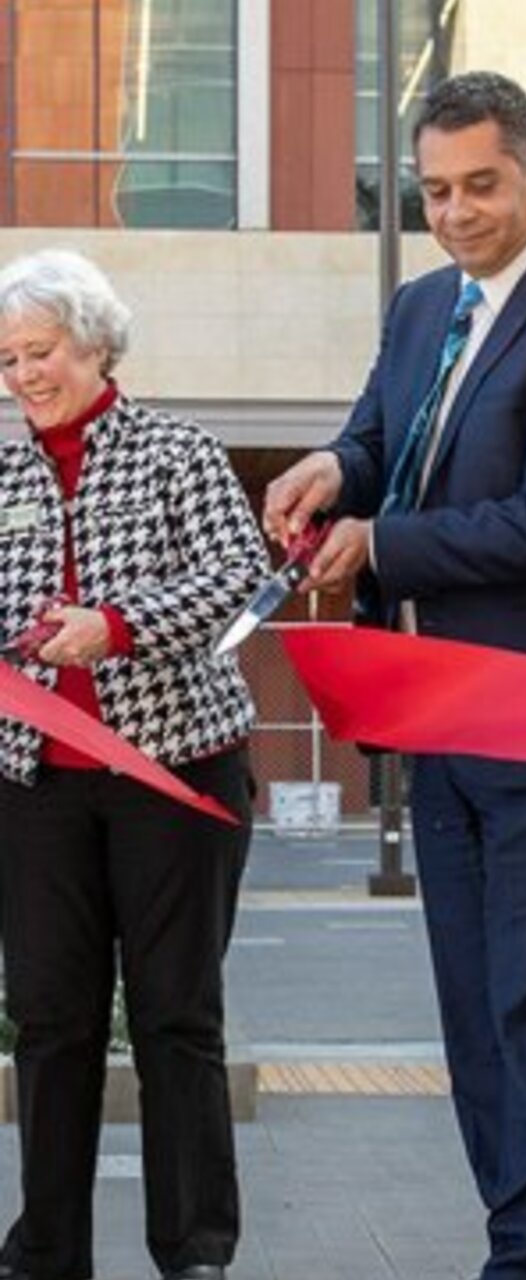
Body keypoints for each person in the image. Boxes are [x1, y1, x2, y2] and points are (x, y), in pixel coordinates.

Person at [262, 72, 526, 1280]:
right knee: (479, 1020)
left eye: (482, 184)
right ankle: (518, 1240)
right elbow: (386, 434)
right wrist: (334, 468)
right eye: (434, 190)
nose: (457, 211)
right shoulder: (423, 302)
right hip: (438, 719)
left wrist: (378, 541)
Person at [0, 249, 266, 1280]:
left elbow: (238, 577)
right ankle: (47, 1247)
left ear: (97, 346)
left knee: (176, 1012)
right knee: (53, 1018)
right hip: (34, 784)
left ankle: (194, 1246)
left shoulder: (175, 451)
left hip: (177, 774)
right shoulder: (8, 472)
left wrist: (114, 625)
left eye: (42, 351)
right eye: (10, 357)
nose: (24, 374)